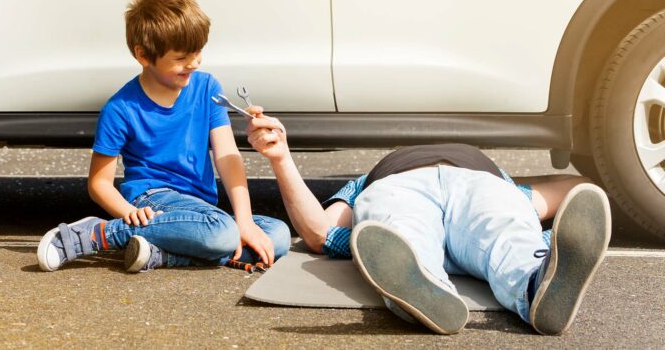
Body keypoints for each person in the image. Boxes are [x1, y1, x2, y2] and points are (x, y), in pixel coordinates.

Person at [244, 108, 611, 336]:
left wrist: (558, 217)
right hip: (404, 186)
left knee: (507, 232)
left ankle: (538, 286)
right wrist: (281, 158)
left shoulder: (499, 183)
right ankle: (425, 288)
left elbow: (582, 192)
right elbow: (319, 233)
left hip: (479, 186)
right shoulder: (366, 181)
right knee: (414, 235)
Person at [37, 0, 290, 273]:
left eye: (198, 53)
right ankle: (97, 234)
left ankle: (159, 254)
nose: (193, 63)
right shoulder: (120, 108)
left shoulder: (208, 88)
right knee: (222, 233)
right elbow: (99, 184)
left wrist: (244, 221)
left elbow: (227, 156)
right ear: (144, 55)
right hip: (151, 199)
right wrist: (129, 214)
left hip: (200, 209)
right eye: (181, 57)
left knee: (278, 235)